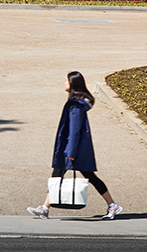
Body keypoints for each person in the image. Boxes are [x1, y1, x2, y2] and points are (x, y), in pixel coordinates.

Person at [27, 71, 122, 221]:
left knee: (89, 176)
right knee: (57, 175)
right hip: (72, 148)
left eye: (66, 81)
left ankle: (112, 205)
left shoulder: (76, 106)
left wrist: (70, 152)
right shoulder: (76, 103)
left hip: (73, 150)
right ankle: (44, 208)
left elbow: (75, 131)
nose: (64, 83)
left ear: (72, 84)